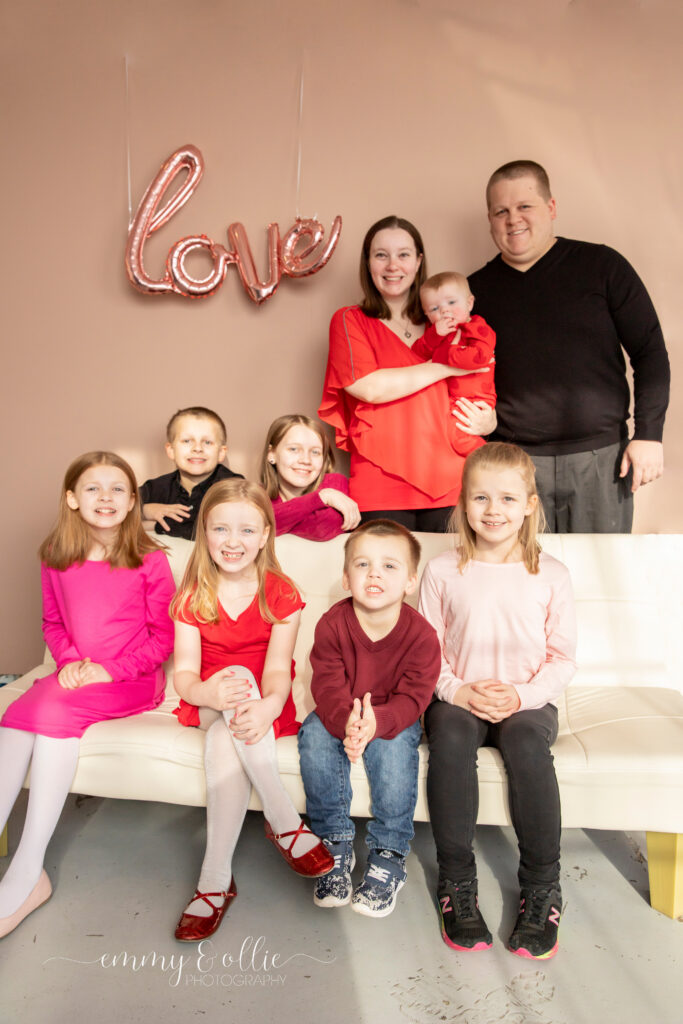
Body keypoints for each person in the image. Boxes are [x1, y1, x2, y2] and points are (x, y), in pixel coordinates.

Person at [0, 452, 175, 938]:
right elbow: (53, 624)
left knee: (40, 711)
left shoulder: (151, 559)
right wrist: (72, 662)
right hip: (74, 677)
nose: (106, 497)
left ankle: (26, 870)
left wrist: (106, 669)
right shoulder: (56, 554)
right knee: (19, 716)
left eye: (118, 488)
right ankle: (29, 874)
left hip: (130, 680)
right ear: (72, 499)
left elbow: (162, 639)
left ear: (133, 501)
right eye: (93, 488)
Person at [419, 443, 577, 959]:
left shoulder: (550, 573)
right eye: (481, 497)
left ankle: (543, 887)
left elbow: (563, 658)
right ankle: (457, 885)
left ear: (530, 504)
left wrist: (521, 696)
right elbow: (426, 651)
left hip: (526, 700)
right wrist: (457, 690)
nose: (493, 510)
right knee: (450, 740)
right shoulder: (444, 571)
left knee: (529, 746)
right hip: (458, 696)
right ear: (463, 503)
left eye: (508, 498)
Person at [171, 478, 333, 942]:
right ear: (205, 533)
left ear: (265, 535)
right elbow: (184, 675)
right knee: (232, 684)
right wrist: (207, 693)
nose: (232, 542)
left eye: (246, 531)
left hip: (264, 707)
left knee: (236, 710)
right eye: (221, 529)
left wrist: (268, 705)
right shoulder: (193, 594)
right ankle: (284, 823)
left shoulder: (280, 592)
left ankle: (213, 884)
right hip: (206, 700)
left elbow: (278, 671)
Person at [469, 160, 670, 532]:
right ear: (490, 219)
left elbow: (650, 352)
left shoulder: (602, 266)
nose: (513, 219)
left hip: (601, 461)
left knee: (597, 582)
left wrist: (649, 434)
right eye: (501, 211)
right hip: (513, 466)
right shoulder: (472, 293)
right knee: (522, 587)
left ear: (551, 208)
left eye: (524, 206)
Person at [297, 520, 440, 917]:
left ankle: (389, 852)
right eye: (362, 565)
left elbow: (416, 696)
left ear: (411, 582)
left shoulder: (422, 635)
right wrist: (348, 722)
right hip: (341, 710)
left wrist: (377, 721)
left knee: (395, 748)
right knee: (313, 734)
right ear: (346, 578)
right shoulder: (332, 623)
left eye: (390, 566)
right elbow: (325, 685)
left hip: (393, 715)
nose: (375, 573)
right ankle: (333, 843)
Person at [319, 215, 496, 532]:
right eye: (380, 255)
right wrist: (445, 366)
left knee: (451, 580)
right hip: (381, 482)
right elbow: (368, 388)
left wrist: (489, 419)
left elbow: (479, 379)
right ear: (368, 263)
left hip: (453, 479)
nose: (392, 266)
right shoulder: (350, 320)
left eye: (403, 254)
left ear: (418, 262)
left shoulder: (447, 319)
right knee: (384, 578)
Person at [413, 271, 497, 456]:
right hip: (450, 398)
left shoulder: (478, 328)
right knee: (433, 432)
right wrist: (435, 334)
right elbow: (417, 355)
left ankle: (487, 457)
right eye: (434, 309)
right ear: (427, 314)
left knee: (458, 434)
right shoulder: (439, 333)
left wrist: (441, 355)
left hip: (475, 399)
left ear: (469, 303)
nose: (444, 311)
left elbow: (477, 358)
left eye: (451, 303)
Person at [140, 406, 243, 538]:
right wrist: (145, 510)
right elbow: (121, 508)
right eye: (187, 441)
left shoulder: (233, 486)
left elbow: (205, 530)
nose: (197, 448)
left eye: (207, 442)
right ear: (171, 450)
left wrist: (153, 526)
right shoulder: (157, 487)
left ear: (221, 452)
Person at [260, 414, 360, 540]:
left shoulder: (335, 483)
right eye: (294, 449)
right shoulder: (258, 495)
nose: (306, 460)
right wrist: (321, 497)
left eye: (315, 452)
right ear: (271, 454)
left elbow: (321, 530)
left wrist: (280, 521)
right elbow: (258, 526)